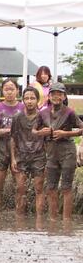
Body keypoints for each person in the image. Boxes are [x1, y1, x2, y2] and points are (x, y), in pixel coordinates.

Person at [32, 82, 83, 222]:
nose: (56, 96)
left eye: (59, 94)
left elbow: (81, 129)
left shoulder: (70, 112)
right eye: (53, 94)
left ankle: (66, 221)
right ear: (49, 96)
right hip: (51, 152)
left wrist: (66, 134)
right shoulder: (43, 113)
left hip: (67, 151)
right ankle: (53, 220)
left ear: (64, 96)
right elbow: (33, 130)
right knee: (51, 187)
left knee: (66, 187)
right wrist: (40, 132)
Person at [10, 87, 46, 219]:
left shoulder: (43, 117)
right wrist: (13, 158)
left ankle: (39, 219)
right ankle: (19, 219)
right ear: (23, 100)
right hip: (21, 156)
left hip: (39, 156)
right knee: (20, 188)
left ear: (37, 100)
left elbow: (47, 138)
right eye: (26, 98)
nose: (29, 101)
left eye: (32, 98)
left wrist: (48, 158)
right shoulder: (17, 117)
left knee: (39, 189)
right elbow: (13, 138)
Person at [0, 79, 24, 213]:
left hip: (19, 148)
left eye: (12, 89)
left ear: (17, 90)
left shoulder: (23, 107)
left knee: (21, 186)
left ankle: (19, 215)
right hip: (1, 148)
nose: (9, 92)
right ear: (2, 91)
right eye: (6, 89)